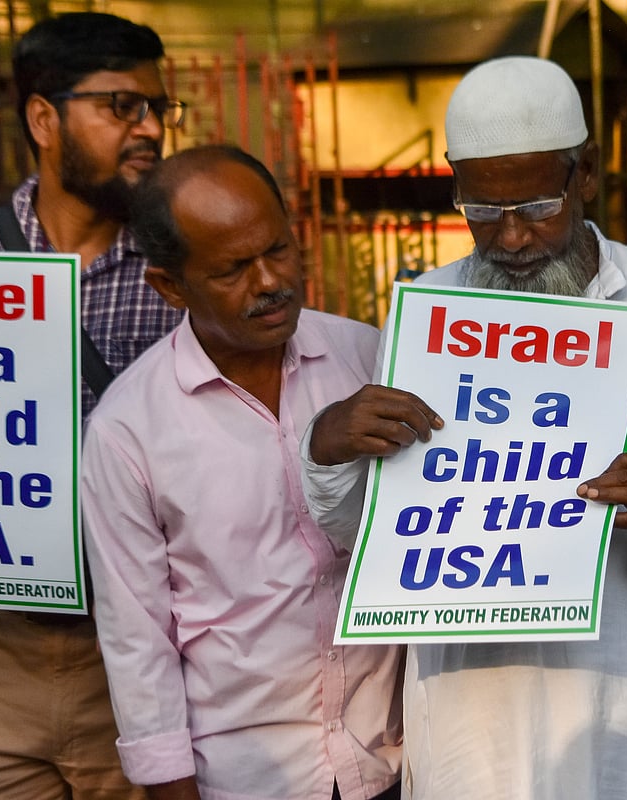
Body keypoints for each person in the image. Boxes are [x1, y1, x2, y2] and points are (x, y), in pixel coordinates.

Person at [301, 56, 627, 800]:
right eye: (484, 212)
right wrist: (331, 449)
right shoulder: (423, 312)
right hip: (467, 727)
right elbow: (365, 532)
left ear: (586, 173)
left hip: (625, 715)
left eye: (535, 206)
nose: (514, 238)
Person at [81, 144, 403, 800]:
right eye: (233, 269)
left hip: (395, 760)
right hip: (250, 778)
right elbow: (138, 642)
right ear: (170, 286)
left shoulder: (369, 358)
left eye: (279, 250)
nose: (269, 282)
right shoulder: (128, 431)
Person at [0, 13, 184, 799]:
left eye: (158, 109)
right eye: (121, 107)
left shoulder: (182, 268)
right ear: (43, 118)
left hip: (138, 659)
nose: (149, 130)